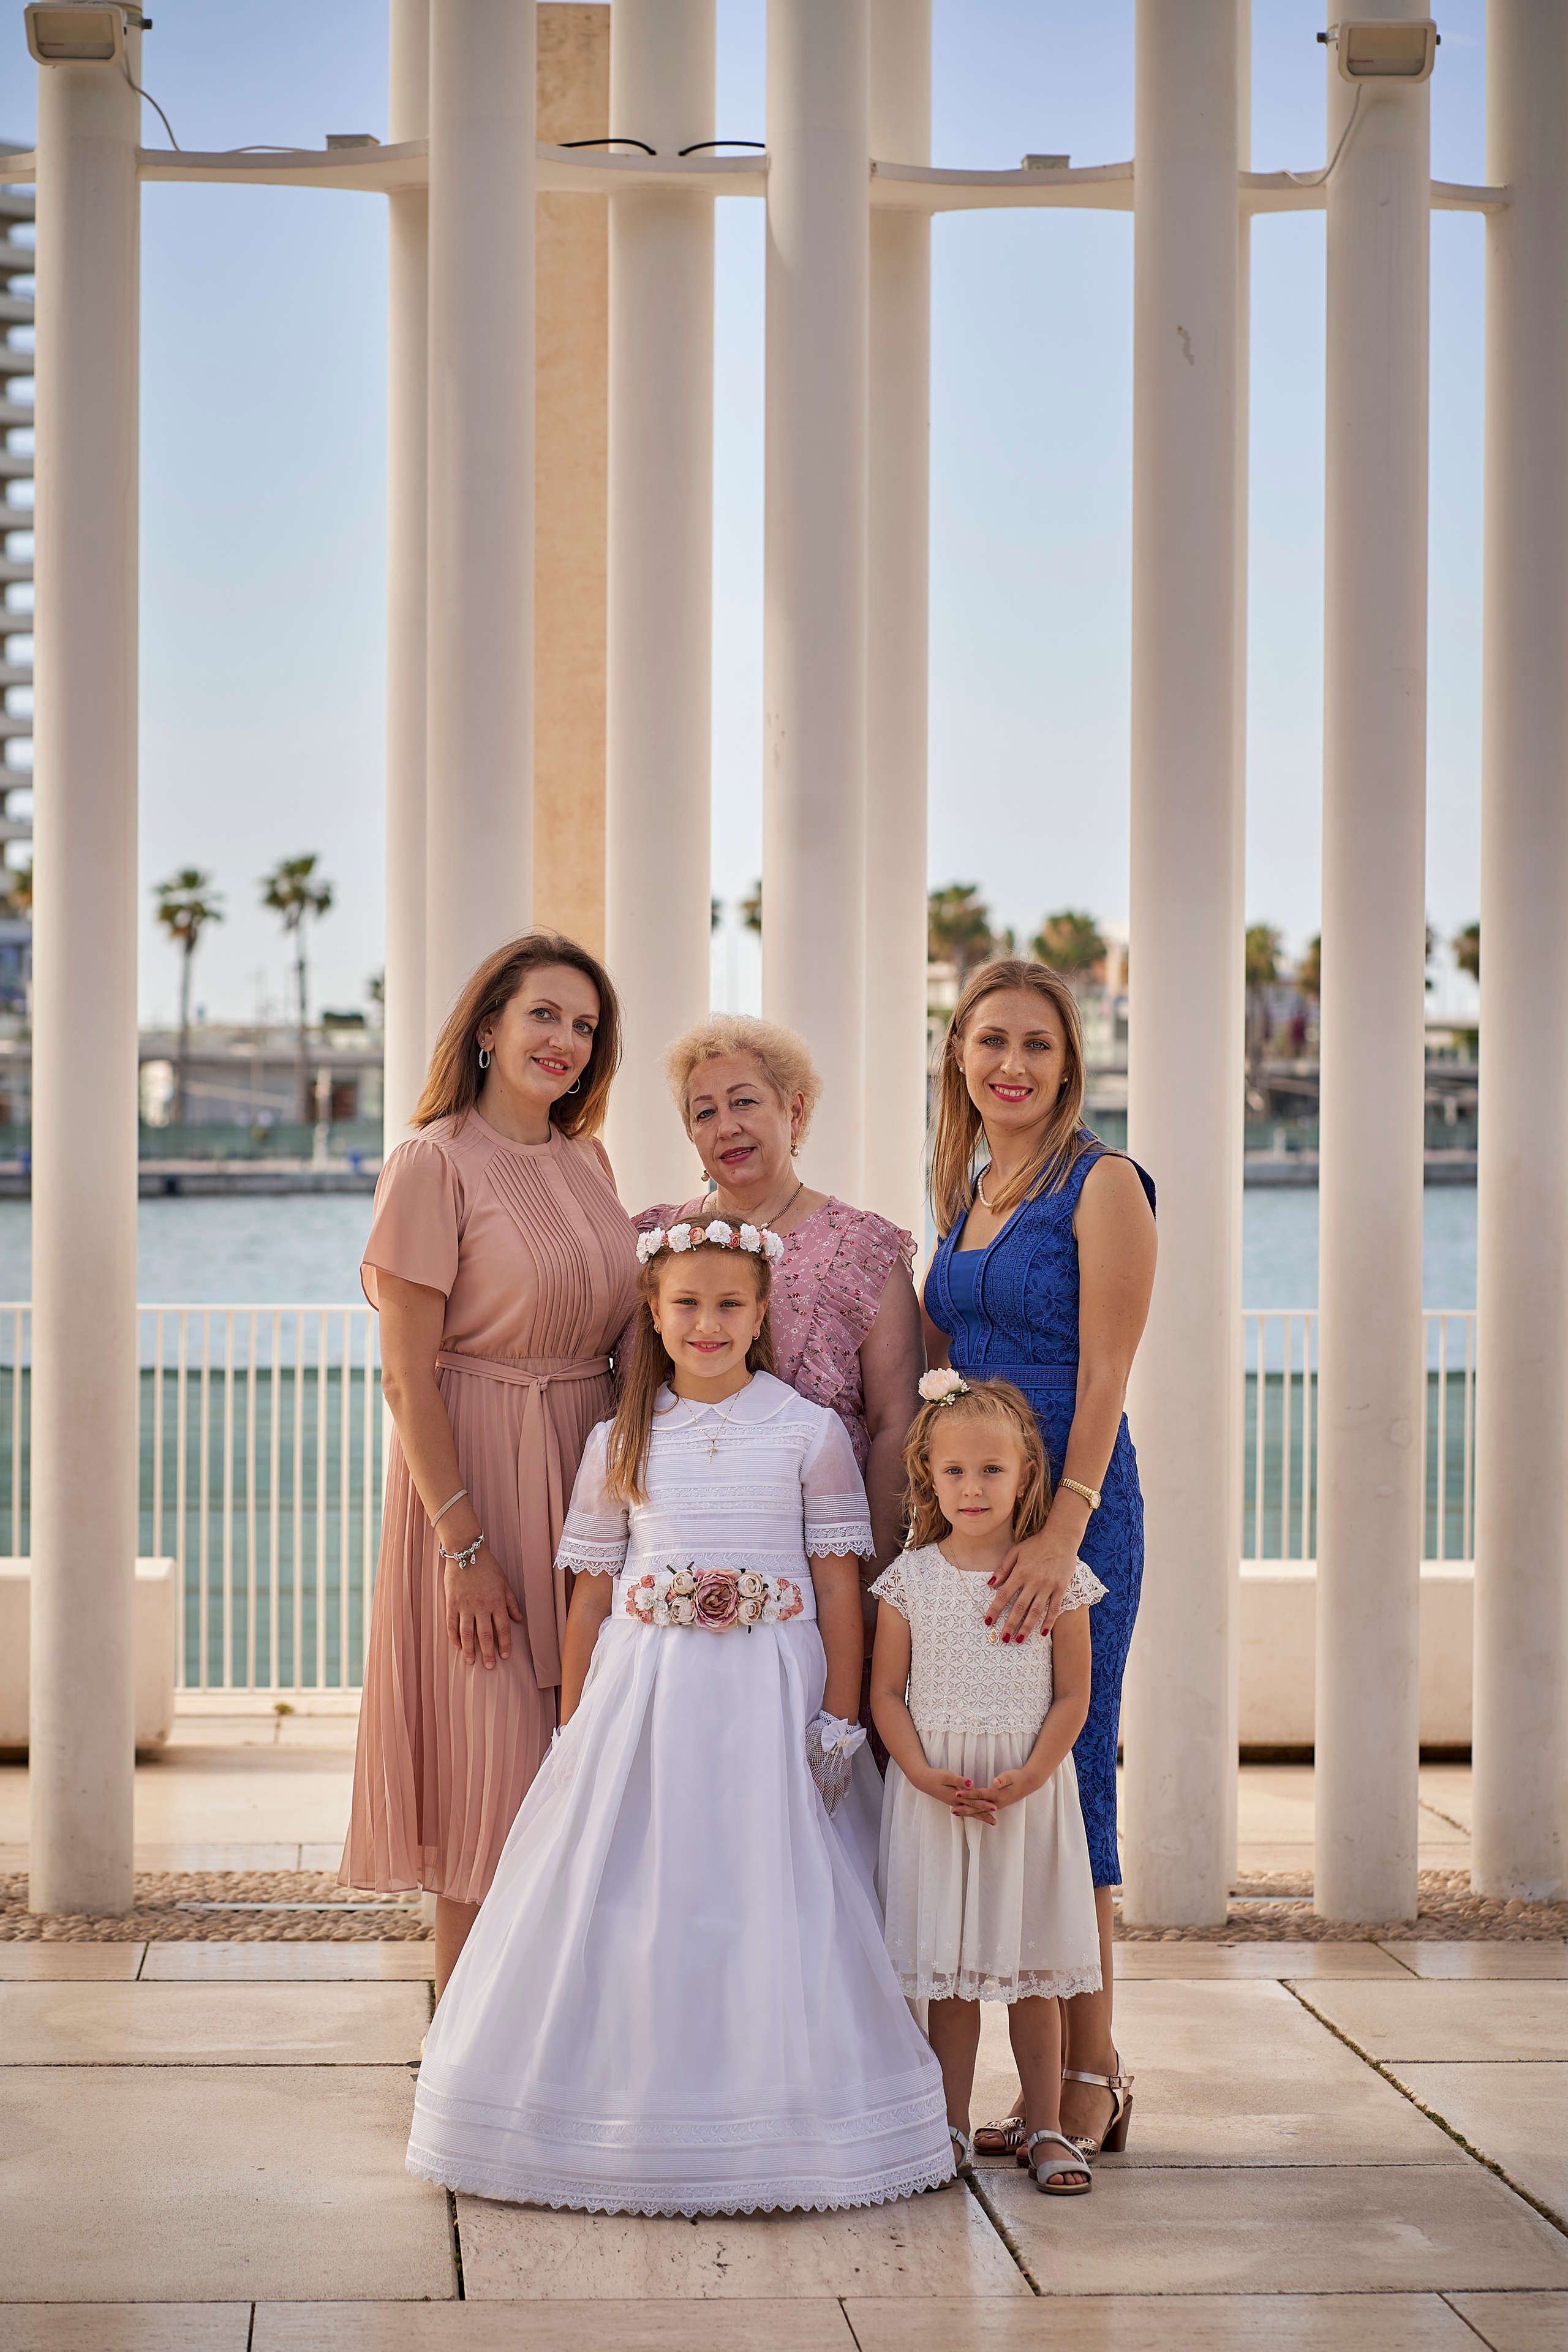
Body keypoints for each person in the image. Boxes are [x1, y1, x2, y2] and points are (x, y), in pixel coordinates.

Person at [406, 1216, 953, 2215]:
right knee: (638, 1882)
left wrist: (838, 1719)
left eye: (730, 1304)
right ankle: (620, 2118)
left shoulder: (807, 1432)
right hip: (645, 1695)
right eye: (687, 1304)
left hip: (772, 1691)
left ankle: (784, 2123)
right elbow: (589, 1590)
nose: (708, 1322)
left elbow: (837, 1589)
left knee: (770, 1882)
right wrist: (575, 1727)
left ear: (761, 1315)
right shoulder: (620, 1439)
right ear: (653, 1316)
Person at [340, 933, 639, 1997]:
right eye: (544, 1016)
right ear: (487, 1028)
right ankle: (462, 2054)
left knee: (581, 1767)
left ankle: (555, 2046)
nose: (565, 1041)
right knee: (489, 1778)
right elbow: (407, 1379)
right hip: (475, 1483)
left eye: (586, 1026)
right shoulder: (433, 1163)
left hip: (587, 1481)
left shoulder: (590, 1160)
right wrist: (460, 1542)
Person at [922, 959, 1155, 2162]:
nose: (1009, 1063)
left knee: (1072, 1781)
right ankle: (1029, 2080)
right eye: (988, 1040)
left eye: (1035, 1044)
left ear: (1067, 1064)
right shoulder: (965, 1192)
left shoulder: (1100, 1182)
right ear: (957, 1053)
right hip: (967, 1527)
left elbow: (1107, 1371)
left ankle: (1092, 2077)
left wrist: (1060, 1530)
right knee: (1001, 1781)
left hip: (1070, 1515)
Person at [644, 1014, 924, 1740]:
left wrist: (874, 1577)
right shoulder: (656, 1242)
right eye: (703, 1112)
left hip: (825, 1573)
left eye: (745, 1102)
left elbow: (898, 1419)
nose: (726, 1126)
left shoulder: (862, 1245)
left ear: (793, 1110)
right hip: (687, 1573)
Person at [870, 1372, 1105, 2197]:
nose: (973, 1488)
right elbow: (886, 1695)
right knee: (953, 1981)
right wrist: (921, 1772)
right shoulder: (908, 1579)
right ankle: (950, 2127)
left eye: (992, 1471)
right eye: (956, 1471)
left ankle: (1045, 2127)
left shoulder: (1055, 1580)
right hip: (938, 1802)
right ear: (927, 1475)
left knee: (1032, 1975)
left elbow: (1075, 1693)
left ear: (1027, 1474)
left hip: (1025, 1801)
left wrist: (1035, 1773)